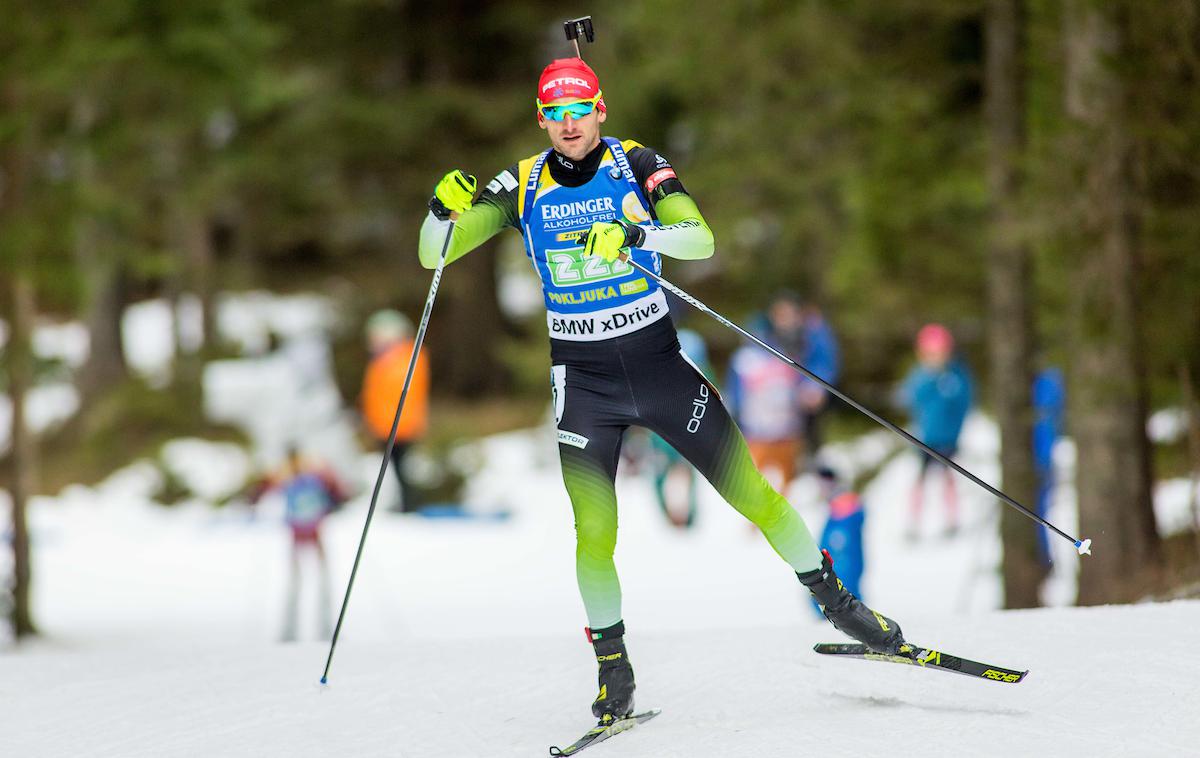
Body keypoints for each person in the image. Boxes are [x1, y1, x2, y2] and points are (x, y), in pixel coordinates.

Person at [417, 56, 908, 724]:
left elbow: (700, 238)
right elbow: (433, 253)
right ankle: (614, 673)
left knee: (755, 497)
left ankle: (841, 606)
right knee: (594, 534)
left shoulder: (637, 164)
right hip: (584, 382)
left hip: (659, 367)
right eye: (555, 114)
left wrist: (635, 231)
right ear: (541, 119)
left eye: (579, 110)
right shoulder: (522, 184)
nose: (569, 125)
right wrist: (440, 210)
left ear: (601, 109)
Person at [250, 446, 348, 642]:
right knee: (295, 583)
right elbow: (263, 488)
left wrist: (336, 497)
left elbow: (338, 491)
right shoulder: (285, 476)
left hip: (315, 532)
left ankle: (326, 628)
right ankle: (289, 630)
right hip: (296, 533)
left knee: (323, 581)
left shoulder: (316, 474)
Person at [899, 323, 974, 539]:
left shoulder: (957, 375)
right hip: (925, 438)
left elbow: (965, 401)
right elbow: (912, 397)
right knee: (920, 480)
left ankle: (952, 519)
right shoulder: (921, 376)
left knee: (947, 478)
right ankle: (913, 522)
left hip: (948, 438)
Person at [360, 309, 430, 513]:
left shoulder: (401, 358)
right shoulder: (384, 360)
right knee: (396, 469)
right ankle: (406, 504)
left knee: (402, 469)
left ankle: (410, 505)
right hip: (385, 424)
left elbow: (399, 394)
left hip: (400, 425)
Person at [813, 465, 865, 612]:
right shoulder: (835, 503)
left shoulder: (843, 502)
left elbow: (843, 539)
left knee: (846, 585)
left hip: (844, 564)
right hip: (841, 564)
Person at [1032, 367, 1065, 565]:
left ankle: (1045, 560)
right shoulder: (1048, 382)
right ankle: (1043, 559)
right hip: (1039, 458)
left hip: (1042, 459)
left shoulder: (1047, 383)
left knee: (1040, 507)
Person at [798, 302, 840, 454]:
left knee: (813, 432)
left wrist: (816, 388)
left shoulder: (821, 335)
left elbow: (827, 364)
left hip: (815, 391)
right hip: (802, 391)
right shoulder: (804, 333)